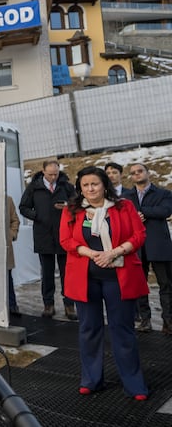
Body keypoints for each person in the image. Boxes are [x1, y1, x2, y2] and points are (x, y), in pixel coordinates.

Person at [59, 166, 148, 400]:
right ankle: (91, 379)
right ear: (80, 187)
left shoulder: (124, 206)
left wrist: (114, 252)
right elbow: (65, 240)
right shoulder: (72, 210)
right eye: (85, 185)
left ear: (104, 185)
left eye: (95, 184)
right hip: (85, 277)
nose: (90, 189)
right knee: (89, 330)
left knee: (123, 330)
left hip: (119, 278)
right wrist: (91, 253)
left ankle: (134, 383)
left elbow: (138, 236)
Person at [19, 159, 78, 320]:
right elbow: (23, 207)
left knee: (67, 272)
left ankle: (69, 305)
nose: (53, 177)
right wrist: (37, 216)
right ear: (43, 172)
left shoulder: (66, 186)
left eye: (56, 174)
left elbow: (77, 205)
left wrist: (67, 207)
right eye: (50, 174)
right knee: (47, 273)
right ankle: (48, 304)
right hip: (43, 234)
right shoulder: (34, 187)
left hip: (64, 235)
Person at [123, 163, 172, 334]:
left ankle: (168, 321)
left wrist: (141, 212)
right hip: (136, 246)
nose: (137, 174)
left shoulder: (164, 193)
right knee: (139, 285)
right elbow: (122, 216)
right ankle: (145, 320)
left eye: (140, 171)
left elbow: (165, 211)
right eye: (133, 173)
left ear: (147, 172)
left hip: (159, 245)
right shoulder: (126, 196)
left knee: (166, 285)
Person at [6, 195, 21, 317]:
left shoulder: (7, 199)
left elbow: (15, 219)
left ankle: (12, 305)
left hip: (5, 245)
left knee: (7, 276)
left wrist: (12, 234)